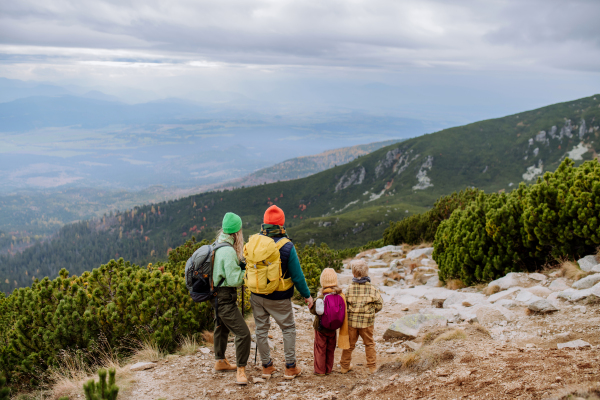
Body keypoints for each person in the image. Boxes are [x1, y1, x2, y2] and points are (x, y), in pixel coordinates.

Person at [250, 205, 314, 380]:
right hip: (279, 296)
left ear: (265, 224)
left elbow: (245, 266)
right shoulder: (287, 246)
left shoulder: (255, 242)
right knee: (288, 328)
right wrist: (307, 296)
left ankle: (267, 367)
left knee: (261, 330)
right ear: (281, 225)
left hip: (256, 294)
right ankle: (290, 367)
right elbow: (297, 276)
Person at [211, 212, 251, 385]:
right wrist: (246, 271)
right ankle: (241, 370)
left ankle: (220, 361)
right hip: (225, 296)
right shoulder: (227, 251)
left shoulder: (218, 244)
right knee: (243, 333)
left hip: (216, 295)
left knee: (221, 327)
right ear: (237, 232)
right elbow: (235, 279)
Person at [340, 259, 383, 374]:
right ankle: (372, 367)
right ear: (367, 273)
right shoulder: (372, 288)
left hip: (352, 322)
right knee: (369, 343)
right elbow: (380, 304)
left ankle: (344, 366)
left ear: (353, 274)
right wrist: (371, 311)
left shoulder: (349, 288)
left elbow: (345, 304)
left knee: (349, 345)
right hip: (367, 323)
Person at [309, 268, 349, 376]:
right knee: (330, 349)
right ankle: (328, 369)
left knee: (320, 348)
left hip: (321, 328)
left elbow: (314, 311)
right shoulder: (340, 295)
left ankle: (320, 370)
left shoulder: (321, 297)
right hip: (333, 327)